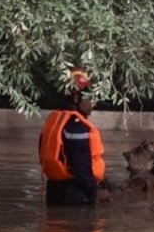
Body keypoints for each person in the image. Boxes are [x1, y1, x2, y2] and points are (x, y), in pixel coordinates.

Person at [38, 67, 111, 205]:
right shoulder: (76, 127)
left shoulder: (55, 120)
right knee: (81, 225)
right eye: (90, 98)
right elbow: (80, 165)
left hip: (54, 190)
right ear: (76, 97)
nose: (93, 103)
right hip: (75, 192)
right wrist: (95, 190)